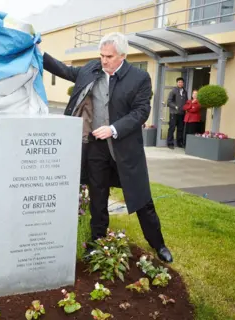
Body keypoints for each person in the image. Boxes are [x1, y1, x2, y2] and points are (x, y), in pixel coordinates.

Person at [41, 32, 173, 263]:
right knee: (97, 197)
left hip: (125, 149)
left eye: (109, 57)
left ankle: (158, 244)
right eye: (101, 55)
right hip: (96, 149)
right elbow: (65, 70)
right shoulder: (92, 69)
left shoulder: (139, 78)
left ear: (122, 55)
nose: (104, 60)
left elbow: (141, 112)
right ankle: (97, 243)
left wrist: (113, 128)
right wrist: (38, 53)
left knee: (142, 200)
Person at [166, 77, 187, 149]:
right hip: (174, 113)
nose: (180, 83)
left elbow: (186, 102)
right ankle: (170, 143)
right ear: (177, 83)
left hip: (182, 113)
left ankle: (179, 143)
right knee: (172, 128)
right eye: (179, 82)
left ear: (183, 83)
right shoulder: (173, 91)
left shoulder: (185, 92)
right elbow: (169, 102)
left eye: (181, 82)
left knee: (180, 129)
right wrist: (175, 106)